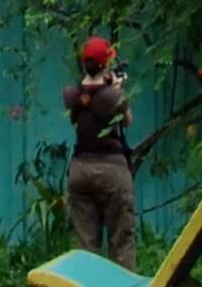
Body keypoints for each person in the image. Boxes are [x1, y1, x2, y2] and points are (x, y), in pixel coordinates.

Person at [63, 34, 136, 269]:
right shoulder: (113, 96)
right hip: (112, 170)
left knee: (85, 249)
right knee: (121, 241)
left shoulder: (74, 94)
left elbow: (80, 118)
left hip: (80, 169)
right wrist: (117, 90)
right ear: (105, 65)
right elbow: (127, 121)